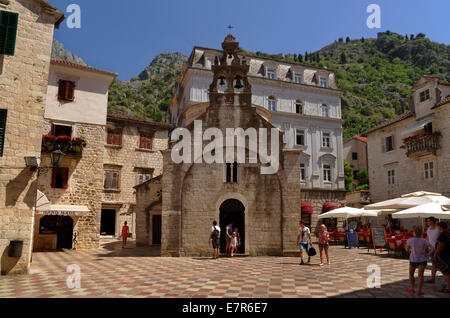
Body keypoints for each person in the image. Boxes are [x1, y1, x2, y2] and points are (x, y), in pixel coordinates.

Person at [405, 227, 434, 296]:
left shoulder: (410, 240)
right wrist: (427, 254)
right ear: (421, 233)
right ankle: (419, 291)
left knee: (411, 274)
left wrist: (409, 249)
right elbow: (433, 248)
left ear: (414, 233)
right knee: (421, 276)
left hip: (413, 260)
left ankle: (412, 288)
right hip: (422, 260)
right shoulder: (424, 240)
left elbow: (407, 250)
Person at [434, 222, 450, 293]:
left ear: (440, 227)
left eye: (438, 227)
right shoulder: (448, 232)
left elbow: (440, 245)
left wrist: (435, 254)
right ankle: (447, 285)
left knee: (446, 271)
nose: (437, 228)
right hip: (447, 254)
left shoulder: (443, 234)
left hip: (443, 255)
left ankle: (448, 288)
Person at [425, 217, 440, 284]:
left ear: (433, 221)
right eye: (427, 221)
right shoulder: (428, 229)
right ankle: (432, 278)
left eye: (429, 221)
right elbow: (428, 239)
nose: (428, 222)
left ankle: (433, 278)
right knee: (434, 264)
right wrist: (426, 248)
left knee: (437, 264)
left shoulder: (438, 229)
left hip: (438, 248)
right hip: (431, 249)